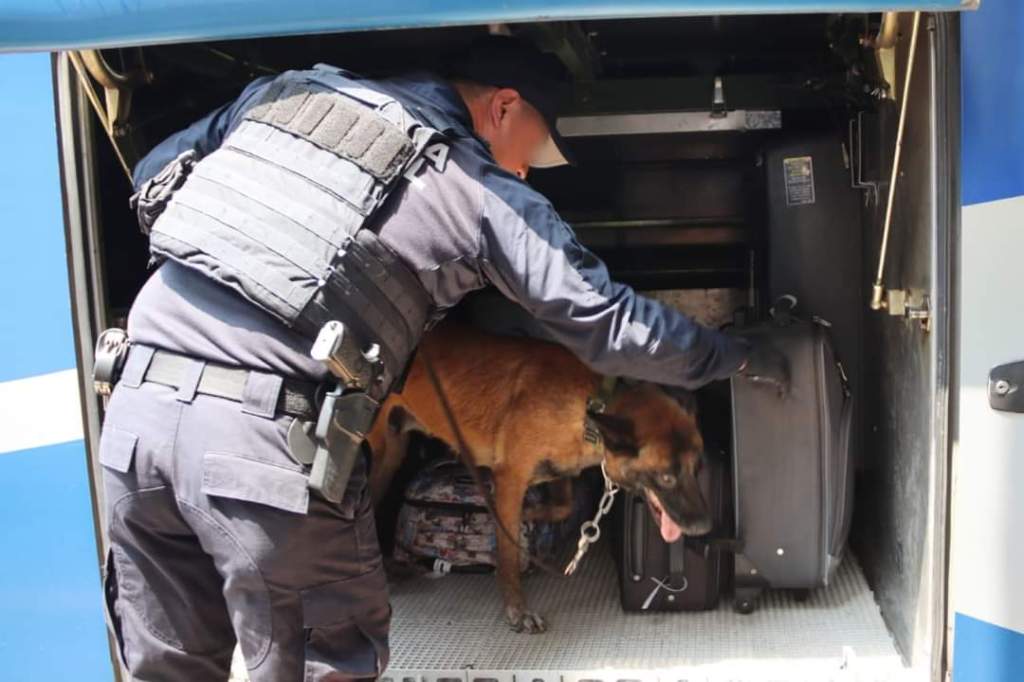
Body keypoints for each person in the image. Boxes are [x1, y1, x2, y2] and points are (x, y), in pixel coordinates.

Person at [97, 35, 786, 682]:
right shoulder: (472, 184)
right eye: (531, 154)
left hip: (135, 421)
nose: (524, 172)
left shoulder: (289, 93)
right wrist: (735, 356)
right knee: (324, 661)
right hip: (259, 443)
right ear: (503, 105)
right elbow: (607, 323)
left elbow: (156, 171)